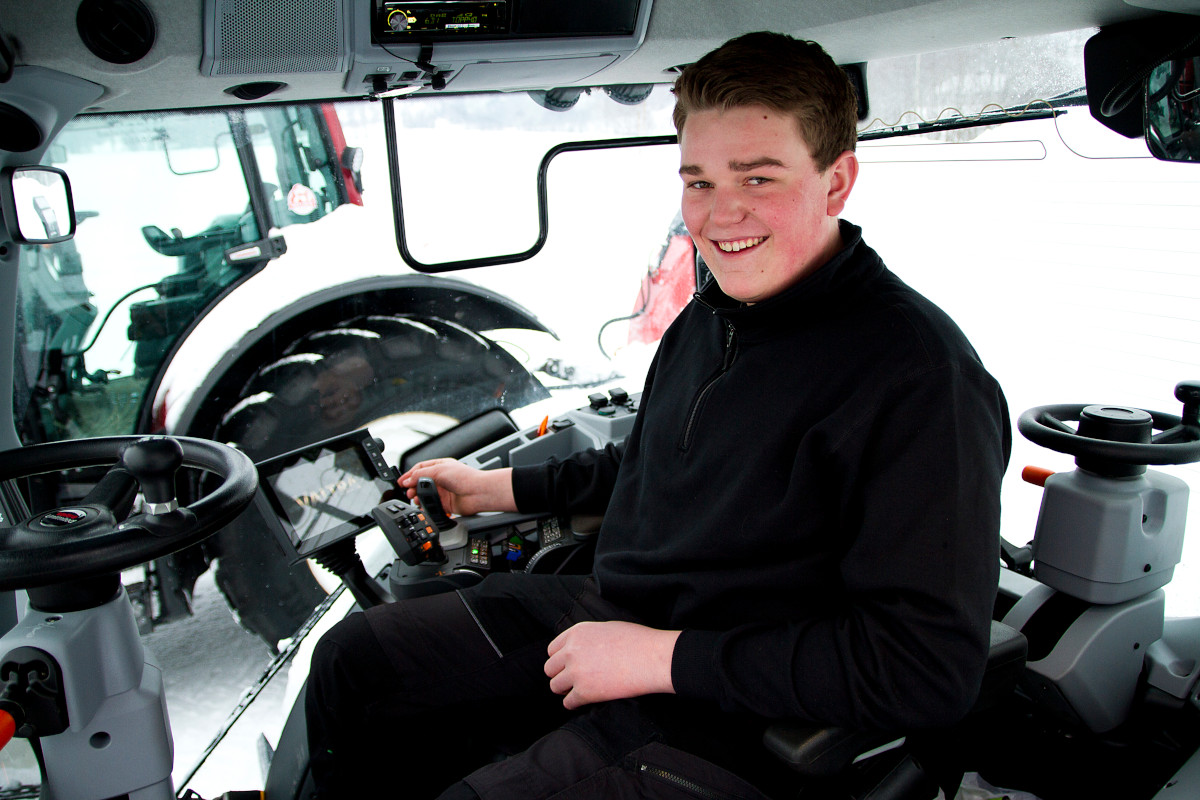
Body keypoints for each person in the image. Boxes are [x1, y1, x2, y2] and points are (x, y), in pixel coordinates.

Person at [304, 31, 1011, 799]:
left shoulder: (919, 379)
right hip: (615, 616)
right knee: (355, 662)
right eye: (699, 181)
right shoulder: (716, 313)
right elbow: (654, 458)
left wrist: (658, 658)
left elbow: (925, 671)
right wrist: (494, 489)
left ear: (836, 182)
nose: (720, 214)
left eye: (759, 178)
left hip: (734, 708)